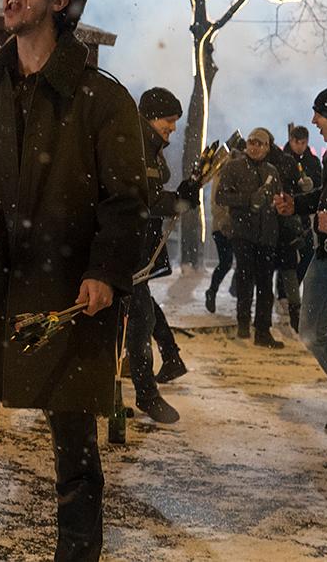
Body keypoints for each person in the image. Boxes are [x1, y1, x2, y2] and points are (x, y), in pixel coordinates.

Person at [0, 0, 146, 561]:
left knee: (74, 448)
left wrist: (105, 271)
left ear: (60, 0)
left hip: (67, 295)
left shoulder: (102, 98)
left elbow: (126, 202)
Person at [126, 87, 197, 423]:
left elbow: (154, 190)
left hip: (136, 250)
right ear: (151, 117)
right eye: (168, 121)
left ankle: (142, 390)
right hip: (124, 249)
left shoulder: (148, 145)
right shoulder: (137, 145)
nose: (172, 127)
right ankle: (146, 394)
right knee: (140, 320)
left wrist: (178, 196)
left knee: (140, 318)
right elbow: (144, 199)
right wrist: (177, 201)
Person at [275, 83, 327, 446]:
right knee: (312, 332)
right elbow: (325, 198)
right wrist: (297, 205)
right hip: (326, 253)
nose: (314, 120)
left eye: (320, 113)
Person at [216, 128, 284, 347]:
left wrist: (279, 204)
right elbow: (221, 196)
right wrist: (248, 200)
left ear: (267, 147)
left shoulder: (272, 171)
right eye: (251, 142)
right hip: (243, 233)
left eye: (259, 143)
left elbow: (278, 197)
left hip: (267, 235)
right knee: (245, 279)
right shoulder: (233, 167)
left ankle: (263, 331)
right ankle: (243, 323)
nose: (254, 147)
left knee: (265, 284)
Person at [266, 132, 304, 333]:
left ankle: (268, 316)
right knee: (288, 271)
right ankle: (294, 311)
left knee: (270, 272)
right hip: (285, 226)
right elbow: (299, 189)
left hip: (273, 226)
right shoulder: (287, 161)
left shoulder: (267, 164)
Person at [284, 125, 322, 284]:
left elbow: (320, 183)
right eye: (296, 142)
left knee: (307, 255)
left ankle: (294, 287)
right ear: (291, 140)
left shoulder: (312, 161)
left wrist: (311, 183)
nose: (299, 146)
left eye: (303, 143)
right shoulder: (283, 159)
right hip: (285, 214)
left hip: (304, 214)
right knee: (286, 259)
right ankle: (284, 293)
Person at [205, 148, 240, 313]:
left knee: (238, 261)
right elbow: (216, 203)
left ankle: (233, 289)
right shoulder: (222, 175)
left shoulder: (236, 174)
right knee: (226, 262)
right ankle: (212, 291)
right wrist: (225, 221)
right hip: (222, 226)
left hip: (235, 226)